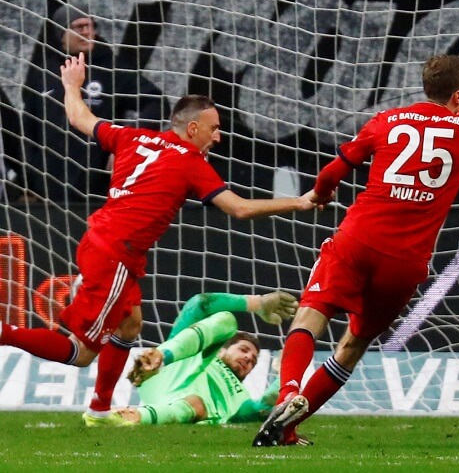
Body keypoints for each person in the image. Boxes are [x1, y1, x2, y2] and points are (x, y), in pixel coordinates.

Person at [0, 52, 320, 426]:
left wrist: (72, 85)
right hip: (115, 253)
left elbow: (79, 117)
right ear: (193, 128)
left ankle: (100, 409)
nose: (219, 136)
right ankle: (6, 334)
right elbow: (239, 209)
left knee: (131, 326)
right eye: (214, 128)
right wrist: (298, 201)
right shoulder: (189, 161)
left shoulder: (133, 137)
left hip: (104, 242)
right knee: (81, 351)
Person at [245, 54, 459, 446]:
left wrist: (320, 194)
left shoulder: (388, 120)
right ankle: (288, 428)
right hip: (405, 262)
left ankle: (287, 396)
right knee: (352, 346)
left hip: (358, 239)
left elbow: (331, 173)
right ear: (457, 96)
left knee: (310, 315)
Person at [20, 2, 167, 202]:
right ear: (62, 33)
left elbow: (156, 101)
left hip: (98, 185)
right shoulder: (43, 73)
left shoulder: (111, 68)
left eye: (91, 26)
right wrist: (29, 181)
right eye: (80, 27)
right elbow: (29, 131)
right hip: (50, 190)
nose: (88, 32)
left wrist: (128, 145)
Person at [114, 291, 298, 427]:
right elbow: (200, 304)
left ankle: (131, 416)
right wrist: (258, 303)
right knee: (228, 321)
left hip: (184, 409)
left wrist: (285, 368)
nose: (248, 357)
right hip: (164, 371)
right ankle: (160, 358)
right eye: (243, 349)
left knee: (196, 403)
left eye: (254, 361)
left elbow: (266, 406)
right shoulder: (194, 349)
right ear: (221, 351)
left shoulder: (242, 399)